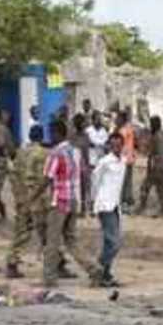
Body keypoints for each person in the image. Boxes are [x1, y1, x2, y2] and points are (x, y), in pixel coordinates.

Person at [43, 119, 104, 287]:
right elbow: (83, 174)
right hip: (73, 200)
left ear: (57, 133)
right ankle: (93, 268)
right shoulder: (75, 152)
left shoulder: (55, 153)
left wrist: (34, 196)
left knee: (52, 240)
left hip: (59, 200)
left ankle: (49, 277)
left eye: (52, 133)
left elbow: (47, 178)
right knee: (71, 240)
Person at [6, 125, 49, 279]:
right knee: (47, 233)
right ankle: (56, 263)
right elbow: (45, 179)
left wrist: (19, 196)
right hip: (38, 199)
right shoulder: (44, 154)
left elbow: (13, 175)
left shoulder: (20, 153)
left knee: (22, 231)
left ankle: (12, 262)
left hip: (23, 198)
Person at [92, 131, 126, 286]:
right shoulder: (105, 162)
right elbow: (96, 180)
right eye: (113, 145)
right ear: (110, 146)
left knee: (109, 241)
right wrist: (94, 200)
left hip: (115, 205)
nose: (116, 147)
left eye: (119, 145)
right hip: (105, 204)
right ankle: (98, 270)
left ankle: (104, 274)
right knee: (114, 242)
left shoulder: (122, 162)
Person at [137, 116, 163, 217]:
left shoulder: (158, 136)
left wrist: (156, 165)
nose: (150, 125)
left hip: (158, 167)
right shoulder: (158, 135)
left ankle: (145, 207)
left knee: (147, 187)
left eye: (152, 123)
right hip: (158, 166)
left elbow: (161, 153)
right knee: (159, 189)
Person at [118, 111, 137, 212]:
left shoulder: (123, 130)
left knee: (123, 182)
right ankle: (129, 201)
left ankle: (124, 202)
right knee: (128, 181)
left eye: (118, 118)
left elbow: (120, 145)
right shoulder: (130, 129)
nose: (117, 120)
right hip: (130, 158)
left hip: (124, 158)